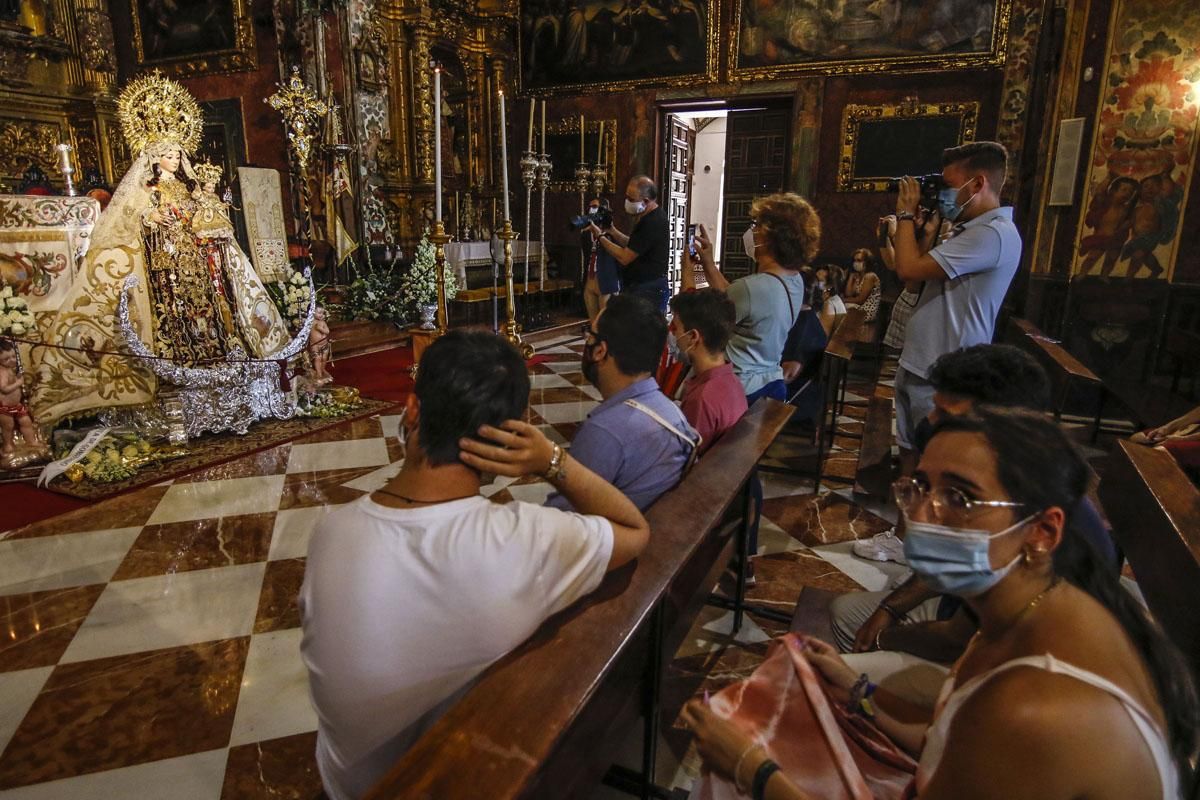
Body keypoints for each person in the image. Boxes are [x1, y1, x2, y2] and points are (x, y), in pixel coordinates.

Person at [683, 407, 1198, 800]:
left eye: (960, 498)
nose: (925, 515)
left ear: (1043, 531)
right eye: (919, 489)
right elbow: (943, 741)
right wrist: (857, 691)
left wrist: (754, 770)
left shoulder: (1036, 709)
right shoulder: (1021, 609)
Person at [300, 330, 651, 800]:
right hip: (462, 776)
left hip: (346, 783)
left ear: (411, 410)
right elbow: (634, 530)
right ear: (514, 431)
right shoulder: (526, 538)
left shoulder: (331, 533)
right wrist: (551, 461)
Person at [831, 345, 1120, 710]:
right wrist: (890, 607)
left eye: (946, 413)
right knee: (846, 616)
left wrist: (883, 639)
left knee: (837, 675)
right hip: (968, 629)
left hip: (998, 675)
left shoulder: (1031, 509)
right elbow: (954, 553)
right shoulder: (1000, 474)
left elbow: (959, 639)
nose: (931, 420)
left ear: (997, 421)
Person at [30, 73, 292, 426]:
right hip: (165, 266)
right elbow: (136, 218)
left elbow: (207, 218)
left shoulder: (189, 187)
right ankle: (172, 367)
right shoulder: (147, 189)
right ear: (154, 157)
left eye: (176, 153)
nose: (173, 158)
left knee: (211, 314)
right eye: (166, 154)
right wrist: (154, 216)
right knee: (174, 314)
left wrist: (205, 203)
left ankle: (218, 358)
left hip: (199, 263)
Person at [890, 141, 1022, 474]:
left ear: (977, 183)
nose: (942, 195)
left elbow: (907, 268)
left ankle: (921, 526)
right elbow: (912, 283)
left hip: (946, 368)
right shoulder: (965, 232)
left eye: (949, 186)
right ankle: (902, 528)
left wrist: (905, 213)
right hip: (921, 361)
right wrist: (927, 232)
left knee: (933, 462)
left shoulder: (993, 235)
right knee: (909, 451)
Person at [548, 293, 699, 511]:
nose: (587, 344)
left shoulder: (604, 432)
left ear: (600, 351)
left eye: (590, 336)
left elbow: (559, 521)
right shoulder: (669, 409)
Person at [693, 193, 816, 404]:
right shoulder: (795, 279)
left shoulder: (753, 288)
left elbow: (703, 323)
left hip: (739, 390)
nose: (752, 231)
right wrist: (708, 264)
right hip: (771, 384)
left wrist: (692, 271)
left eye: (756, 225)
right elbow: (733, 297)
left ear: (770, 236)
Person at [667, 288, 747, 456]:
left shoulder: (702, 398)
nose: (672, 333)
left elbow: (685, 458)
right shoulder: (731, 380)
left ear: (693, 337)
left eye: (675, 328)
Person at [591, 175, 670, 312]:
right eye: (626, 197)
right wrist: (612, 231)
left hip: (648, 289)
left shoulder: (653, 221)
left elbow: (625, 257)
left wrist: (600, 236)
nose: (627, 202)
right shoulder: (648, 217)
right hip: (639, 287)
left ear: (645, 201)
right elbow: (635, 246)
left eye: (631, 199)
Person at [580, 197, 621, 320]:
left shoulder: (611, 232)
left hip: (607, 282)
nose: (591, 210)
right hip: (591, 280)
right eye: (590, 207)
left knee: (605, 323)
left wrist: (601, 234)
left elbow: (617, 254)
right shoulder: (586, 234)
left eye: (595, 207)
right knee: (593, 323)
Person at [843, 247, 882, 322]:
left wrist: (842, 300)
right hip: (859, 307)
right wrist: (851, 277)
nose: (856, 263)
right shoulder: (858, 276)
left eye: (859, 260)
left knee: (841, 307)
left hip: (867, 311)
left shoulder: (870, 276)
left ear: (867, 262)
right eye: (854, 260)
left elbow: (860, 300)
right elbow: (848, 294)